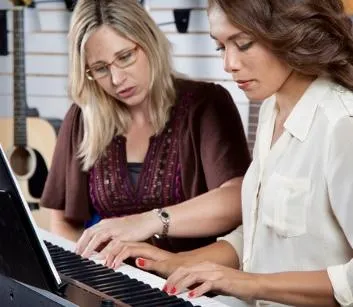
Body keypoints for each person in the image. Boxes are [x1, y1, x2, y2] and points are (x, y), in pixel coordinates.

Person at [90, 0, 353, 306]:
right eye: (220, 47)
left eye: (243, 44)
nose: (229, 64)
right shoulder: (272, 109)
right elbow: (261, 236)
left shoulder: (341, 126)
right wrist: (177, 262)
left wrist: (245, 283)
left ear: (292, 33)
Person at [39, 0, 251, 257]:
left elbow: (236, 199)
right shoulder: (82, 118)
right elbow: (63, 222)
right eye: (100, 69)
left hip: (191, 276)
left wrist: (149, 221)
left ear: (150, 41)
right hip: (112, 281)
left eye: (125, 57)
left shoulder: (206, 104)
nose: (117, 80)